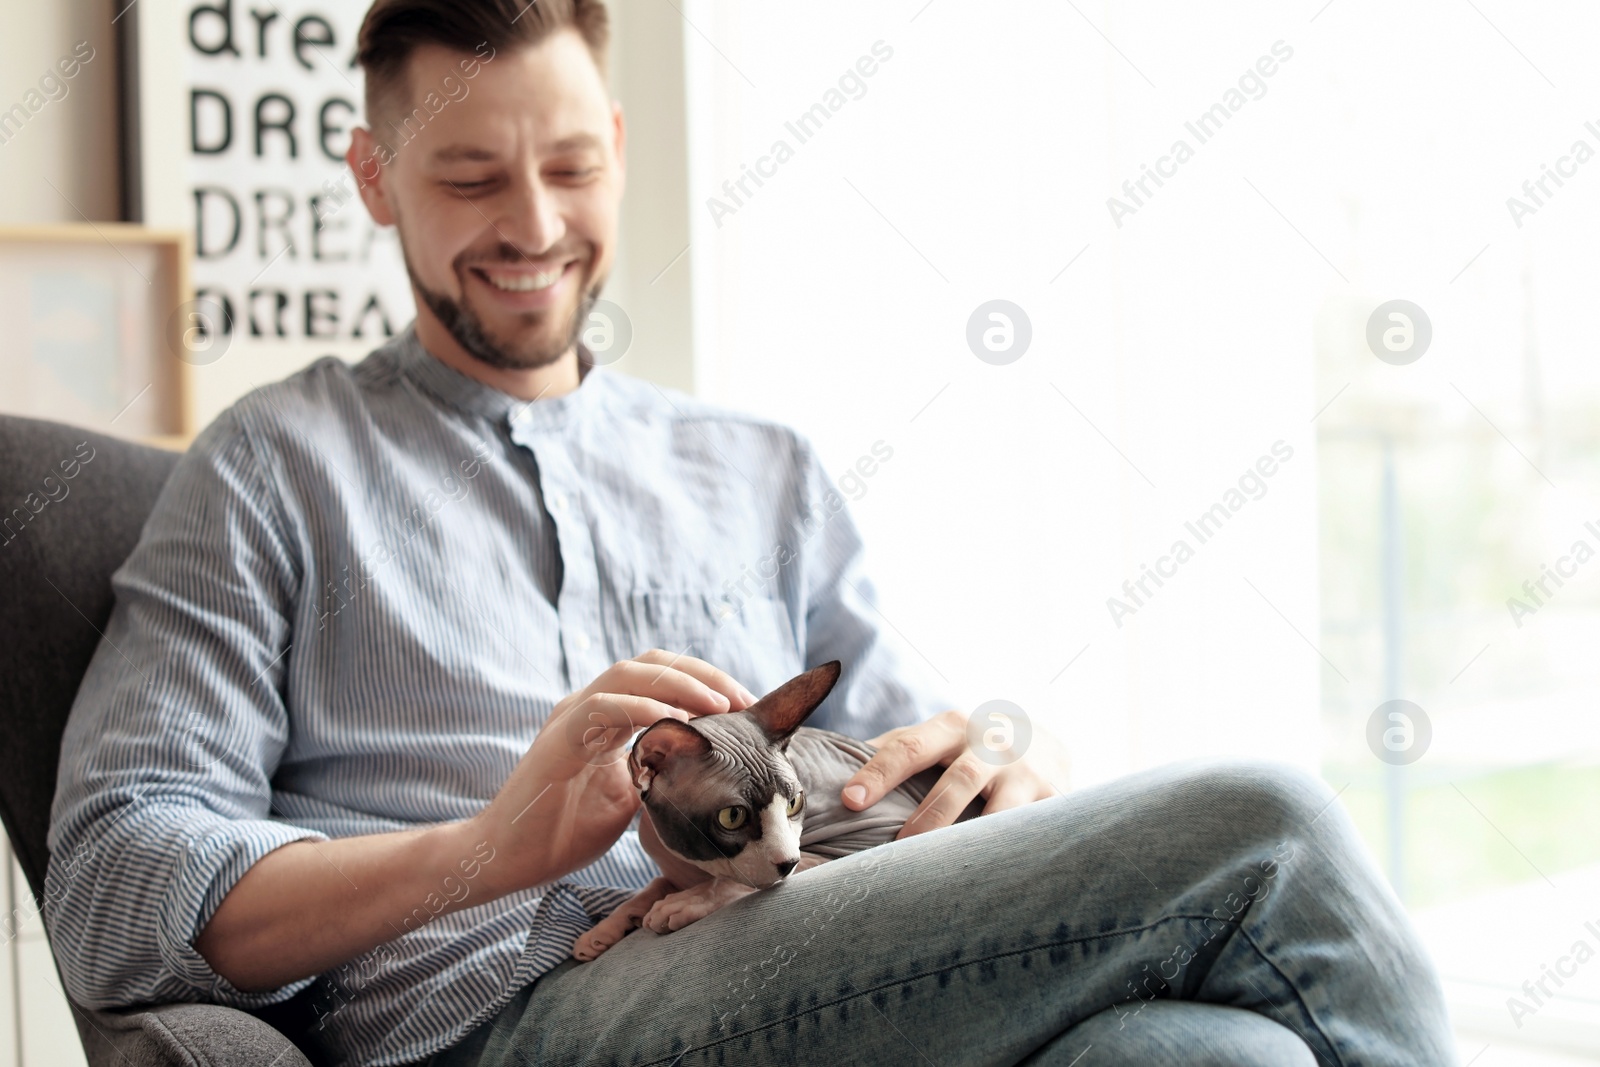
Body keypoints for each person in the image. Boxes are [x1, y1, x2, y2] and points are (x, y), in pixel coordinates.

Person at [45, 1, 1455, 1063]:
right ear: (371, 176)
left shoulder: (759, 468)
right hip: (510, 1013)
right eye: (470, 177)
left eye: (572, 166)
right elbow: (112, 890)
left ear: (617, 148)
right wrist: (490, 849)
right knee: (1268, 824)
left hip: (802, 947)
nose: (533, 226)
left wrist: (998, 777)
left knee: (1210, 1057)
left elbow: (908, 783)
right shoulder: (270, 469)